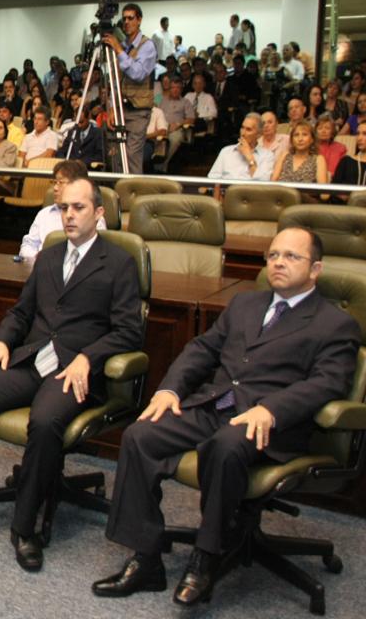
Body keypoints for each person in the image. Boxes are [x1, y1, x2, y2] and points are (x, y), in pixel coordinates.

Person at [93, 227, 358, 606]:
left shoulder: (334, 323)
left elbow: (328, 382)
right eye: (273, 255)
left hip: (269, 423)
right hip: (214, 405)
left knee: (224, 446)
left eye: (291, 256)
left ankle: (206, 557)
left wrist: (273, 409)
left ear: (315, 269)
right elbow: (201, 349)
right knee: (141, 435)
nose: (278, 263)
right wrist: (170, 390)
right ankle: (146, 557)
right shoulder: (244, 304)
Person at [0, 178, 142, 573]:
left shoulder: (119, 262)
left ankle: (25, 528)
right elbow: (22, 312)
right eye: (64, 208)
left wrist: (89, 357)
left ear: (99, 213)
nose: (69, 215)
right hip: (35, 360)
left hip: (76, 371)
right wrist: (2, 341)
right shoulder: (48, 256)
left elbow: (129, 331)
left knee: (44, 422)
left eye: (79, 208)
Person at [104, 3, 158, 174]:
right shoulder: (124, 45)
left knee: (132, 155)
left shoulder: (147, 46)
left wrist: (118, 50)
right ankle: (118, 188)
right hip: (121, 108)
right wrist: (112, 107)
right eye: (124, 19)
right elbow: (116, 81)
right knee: (115, 155)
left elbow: (138, 73)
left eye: (130, 18)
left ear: (139, 20)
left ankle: (134, 190)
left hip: (138, 110)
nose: (126, 22)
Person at [208, 113, 275, 180]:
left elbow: (263, 183)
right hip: (227, 186)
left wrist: (250, 158)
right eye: (242, 128)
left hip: (249, 187)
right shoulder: (226, 151)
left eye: (248, 129)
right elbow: (212, 179)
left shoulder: (267, 156)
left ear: (259, 135)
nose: (243, 133)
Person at [331, 122, 366, 186]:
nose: (359, 138)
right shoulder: (346, 161)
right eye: (357, 134)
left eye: (365, 134)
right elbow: (334, 188)